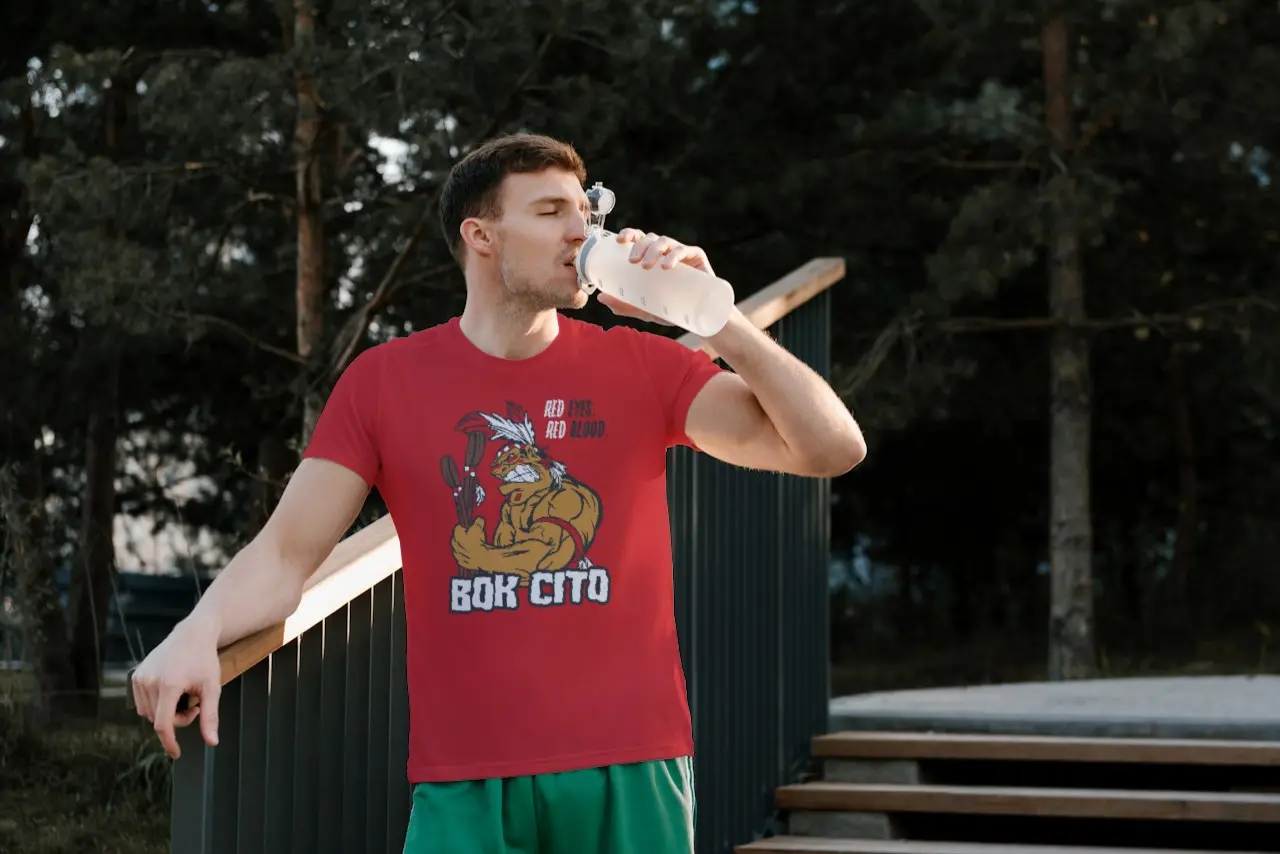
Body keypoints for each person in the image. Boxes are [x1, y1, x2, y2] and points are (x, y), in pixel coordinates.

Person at [130, 132, 866, 853]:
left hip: (632, 765)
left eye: (587, 212)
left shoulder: (643, 366)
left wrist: (717, 317)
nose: (581, 231)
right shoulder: (386, 383)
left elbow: (832, 448)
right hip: (465, 779)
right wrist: (199, 628)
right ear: (480, 235)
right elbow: (287, 554)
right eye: (550, 213)